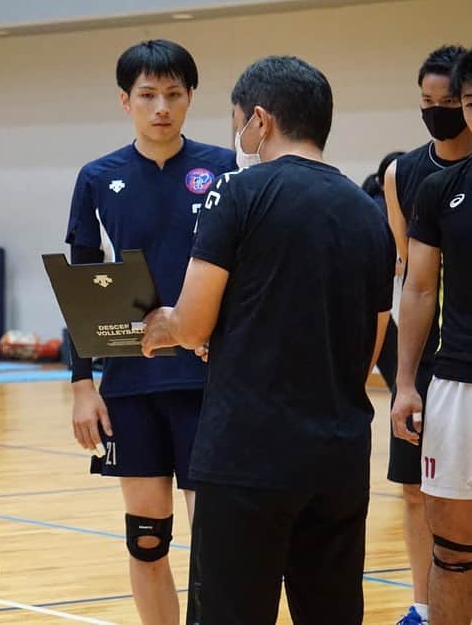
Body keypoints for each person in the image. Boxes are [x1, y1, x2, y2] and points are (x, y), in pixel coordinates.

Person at [141, 55, 394, 624]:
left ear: (260, 121)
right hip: (338, 458)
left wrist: (163, 326)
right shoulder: (368, 212)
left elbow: (194, 322)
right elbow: (369, 348)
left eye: (239, 122)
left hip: (247, 458)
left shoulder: (238, 192)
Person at [64, 39, 234, 625]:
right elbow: (82, 284)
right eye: (147, 95)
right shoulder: (97, 177)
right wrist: (82, 383)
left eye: (173, 94)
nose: (160, 106)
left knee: (214, 540)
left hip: (207, 381)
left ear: (190, 98)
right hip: (131, 383)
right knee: (146, 538)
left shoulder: (226, 170)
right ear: (124, 101)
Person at [382, 44, 472, 625]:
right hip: (458, 381)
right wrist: (407, 381)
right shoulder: (436, 186)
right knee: (454, 548)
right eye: (468, 101)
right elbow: (415, 289)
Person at [364, 151, 407, 393]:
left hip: (373, 305)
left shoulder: (379, 206)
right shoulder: (378, 210)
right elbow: (390, 262)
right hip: (370, 304)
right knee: (399, 375)